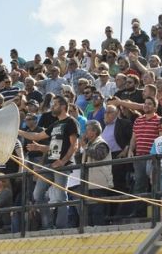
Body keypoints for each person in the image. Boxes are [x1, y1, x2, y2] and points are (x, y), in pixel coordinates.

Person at [18, 95, 79, 229]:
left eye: (55, 104)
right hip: (49, 164)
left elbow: (74, 145)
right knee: (37, 195)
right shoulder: (55, 124)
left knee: (60, 196)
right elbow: (37, 136)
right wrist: (19, 132)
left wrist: (63, 161)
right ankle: (49, 224)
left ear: (63, 107)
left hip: (62, 165)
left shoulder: (71, 122)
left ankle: (61, 226)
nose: (52, 106)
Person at [128, 97, 161, 217]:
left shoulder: (159, 120)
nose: (146, 106)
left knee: (155, 184)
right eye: (145, 103)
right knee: (139, 185)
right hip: (139, 157)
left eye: (150, 104)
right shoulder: (138, 120)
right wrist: (131, 150)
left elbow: (161, 138)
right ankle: (139, 212)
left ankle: (157, 212)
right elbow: (134, 138)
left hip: (153, 157)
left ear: (155, 107)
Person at [79, 120, 113, 226]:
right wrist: (79, 149)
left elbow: (99, 155)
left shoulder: (102, 143)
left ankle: (99, 229)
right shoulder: (89, 145)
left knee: (98, 210)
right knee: (88, 210)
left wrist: (85, 147)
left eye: (88, 130)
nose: (85, 133)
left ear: (94, 132)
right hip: (89, 182)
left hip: (99, 183)